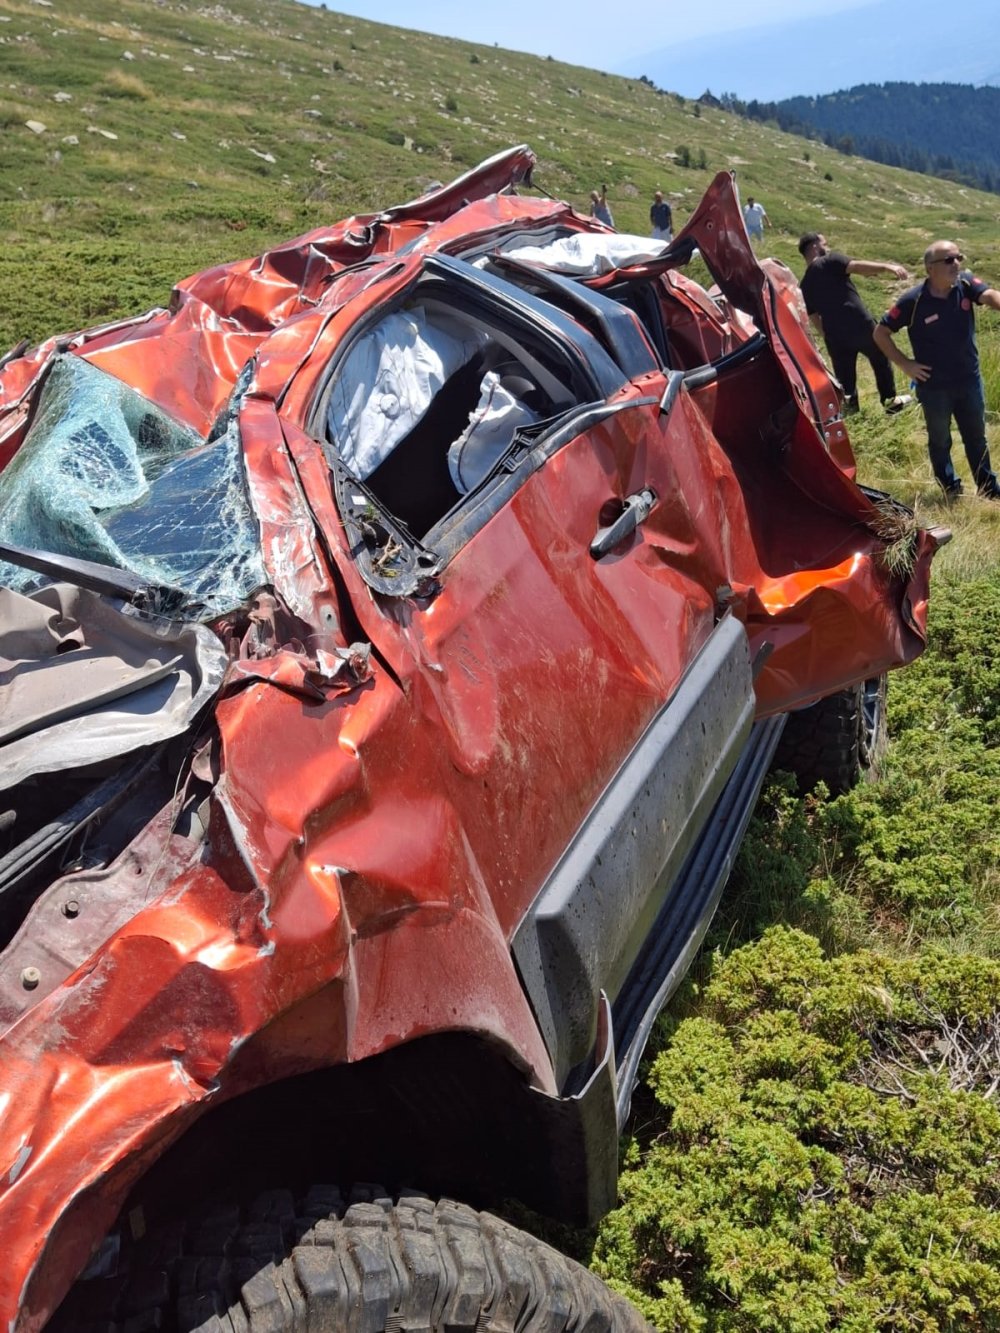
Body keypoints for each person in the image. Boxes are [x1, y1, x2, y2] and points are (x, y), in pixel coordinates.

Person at [874, 241, 1000, 499]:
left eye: (958, 258)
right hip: (934, 386)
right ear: (931, 268)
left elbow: (988, 295)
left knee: (977, 437)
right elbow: (880, 332)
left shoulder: (965, 285)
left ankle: (988, 489)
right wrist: (905, 364)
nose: (957, 264)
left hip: (969, 380)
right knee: (940, 440)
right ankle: (950, 488)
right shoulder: (914, 300)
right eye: (949, 260)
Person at [798, 232, 912, 415]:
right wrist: (887, 267)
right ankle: (890, 402)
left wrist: (826, 334)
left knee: (845, 378)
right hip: (859, 323)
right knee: (880, 358)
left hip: (834, 335)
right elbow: (857, 267)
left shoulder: (804, 285)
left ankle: (851, 412)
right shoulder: (829, 261)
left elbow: (813, 316)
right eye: (823, 243)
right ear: (814, 246)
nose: (826, 247)